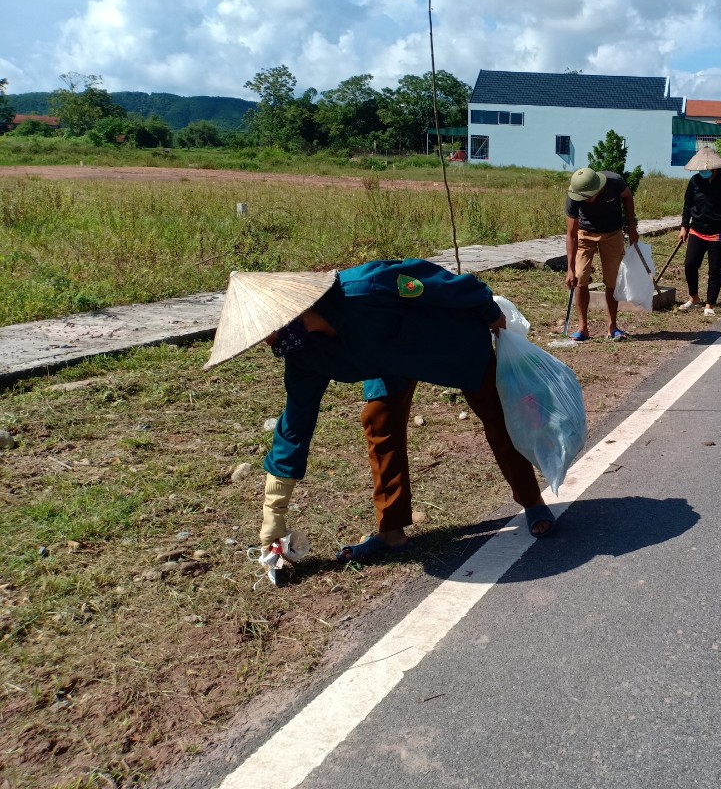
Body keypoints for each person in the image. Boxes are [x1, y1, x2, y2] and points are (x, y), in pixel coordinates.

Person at [202, 260, 558, 579]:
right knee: (379, 422)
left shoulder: (366, 287)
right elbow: (294, 427)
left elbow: (445, 284)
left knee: (496, 419)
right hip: (389, 365)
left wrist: (486, 312)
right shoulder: (304, 354)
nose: (269, 342)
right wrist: (273, 515)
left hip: (448, 344)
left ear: (294, 311)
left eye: (271, 330)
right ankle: (391, 532)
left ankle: (532, 501)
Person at [564, 167, 640, 342]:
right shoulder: (575, 195)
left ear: (598, 190)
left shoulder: (615, 182)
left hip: (612, 233)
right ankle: (583, 329)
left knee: (612, 279)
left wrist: (632, 226)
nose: (583, 200)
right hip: (585, 234)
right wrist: (570, 269)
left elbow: (628, 196)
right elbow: (571, 234)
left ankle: (612, 326)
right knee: (580, 277)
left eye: (586, 197)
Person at [677, 145, 721, 317]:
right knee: (690, 264)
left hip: (719, 233)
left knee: (715, 270)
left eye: (707, 169)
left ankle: (709, 304)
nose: (703, 172)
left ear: (715, 168)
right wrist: (684, 226)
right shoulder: (695, 181)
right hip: (697, 230)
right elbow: (687, 205)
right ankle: (694, 297)